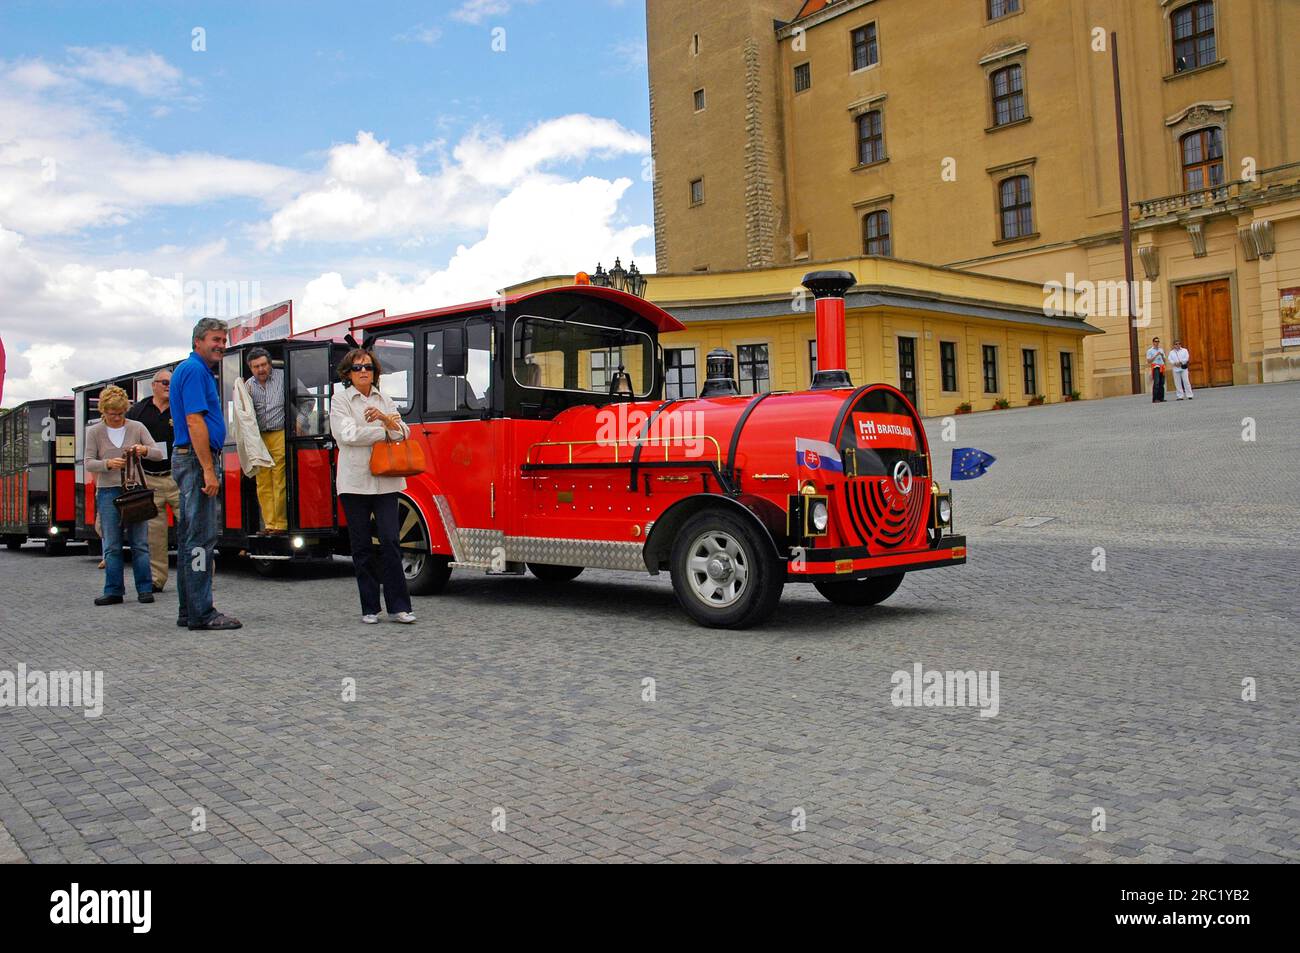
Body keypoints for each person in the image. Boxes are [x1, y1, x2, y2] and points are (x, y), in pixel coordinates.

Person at [329, 347, 416, 625]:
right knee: (362, 546)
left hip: (386, 481)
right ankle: (370, 608)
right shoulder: (340, 400)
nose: (363, 371)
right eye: (357, 368)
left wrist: (382, 418)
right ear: (348, 373)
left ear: (375, 371)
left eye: (368, 367)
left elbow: (404, 432)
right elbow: (347, 434)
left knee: (391, 541)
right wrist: (384, 429)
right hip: (354, 482)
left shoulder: (385, 399)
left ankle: (399, 606)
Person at [170, 317, 242, 631]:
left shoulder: (189, 370)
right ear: (198, 341)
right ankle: (202, 612)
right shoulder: (196, 371)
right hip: (196, 461)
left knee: (190, 540)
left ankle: (189, 610)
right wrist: (209, 470)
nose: (221, 345)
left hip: (188, 459)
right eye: (216, 339)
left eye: (224, 340)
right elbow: (195, 422)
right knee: (200, 540)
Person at [84, 385, 164, 606]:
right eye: (112, 414)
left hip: (134, 490)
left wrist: (144, 450)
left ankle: (145, 588)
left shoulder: (137, 427)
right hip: (108, 490)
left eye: (120, 413)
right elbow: (88, 461)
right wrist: (108, 464)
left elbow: (159, 453)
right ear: (104, 411)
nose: (117, 418)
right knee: (111, 544)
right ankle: (113, 590)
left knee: (140, 543)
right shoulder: (95, 432)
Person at [127, 368, 179, 590]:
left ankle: (202, 573)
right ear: (154, 385)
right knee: (155, 535)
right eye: (164, 382)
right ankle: (157, 580)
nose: (168, 385)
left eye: (171, 382)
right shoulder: (138, 411)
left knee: (193, 527)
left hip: (178, 477)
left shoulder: (182, 406)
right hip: (150, 478)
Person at [245, 347, 288, 533]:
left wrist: (300, 423)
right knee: (262, 481)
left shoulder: (284, 377)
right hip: (258, 436)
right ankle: (269, 524)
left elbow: (306, 400)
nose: (261, 369)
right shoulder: (247, 386)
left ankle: (281, 524)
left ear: (269, 364)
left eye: (263, 365)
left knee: (280, 478)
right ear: (250, 368)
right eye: (256, 366)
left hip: (280, 432)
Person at [1145, 336, 1167, 403]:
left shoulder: (1161, 350)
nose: (1157, 343)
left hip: (1162, 366)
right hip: (1156, 367)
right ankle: (1155, 398)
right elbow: (1149, 361)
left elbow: (1164, 360)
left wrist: (1162, 356)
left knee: (1162, 383)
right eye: (1155, 341)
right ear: (1153, 342)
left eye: (1158, 341)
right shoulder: (1150, 351)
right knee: (1156, 383)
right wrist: (1156, 355)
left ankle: (1161, 398)